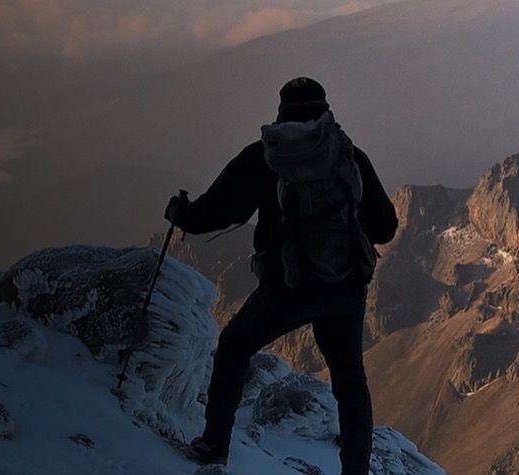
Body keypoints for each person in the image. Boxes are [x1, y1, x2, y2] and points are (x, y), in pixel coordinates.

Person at [164, 77, 398, 475]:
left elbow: (215, 212)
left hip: (289, 287)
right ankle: (355, 471)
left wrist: (179, 213)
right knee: (349, 379)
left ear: (281, 111)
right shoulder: (348, 154)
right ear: (325, 111)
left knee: (235, 346)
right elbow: (385, 227)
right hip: (345, 285)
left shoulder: (265, 156)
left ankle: (214, 443)